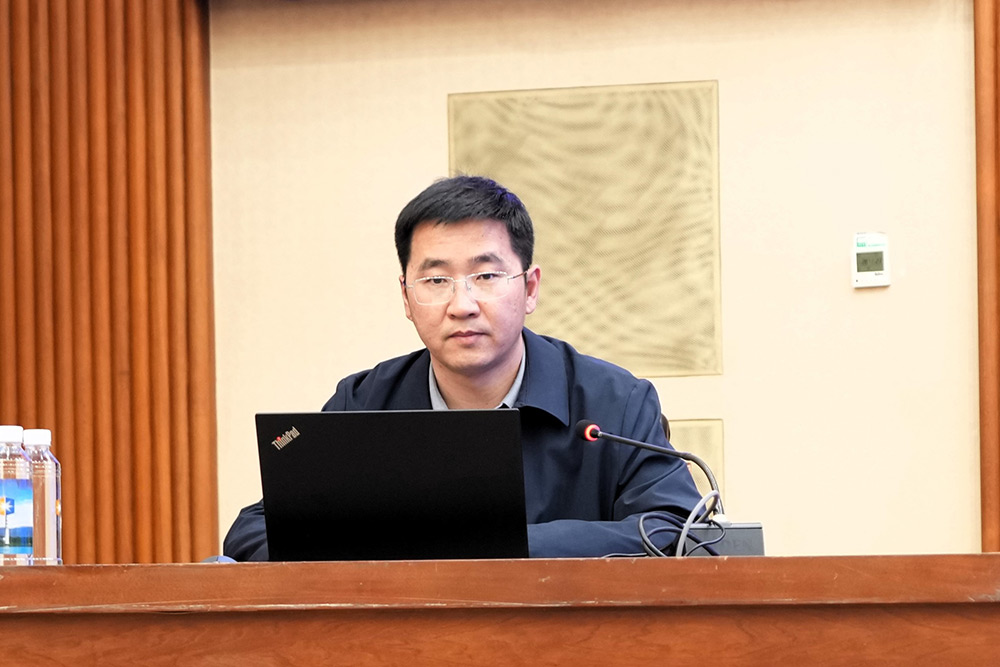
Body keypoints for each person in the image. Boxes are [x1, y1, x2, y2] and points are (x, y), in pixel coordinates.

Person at [224, 175, 702, 560]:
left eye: (486, 275)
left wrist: (499, 544)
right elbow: (254, 530)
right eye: (436, 280)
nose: (462, 304)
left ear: (530, 288)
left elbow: (678, 530)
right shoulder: (366, 402)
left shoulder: (614, 401)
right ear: (406, 297)